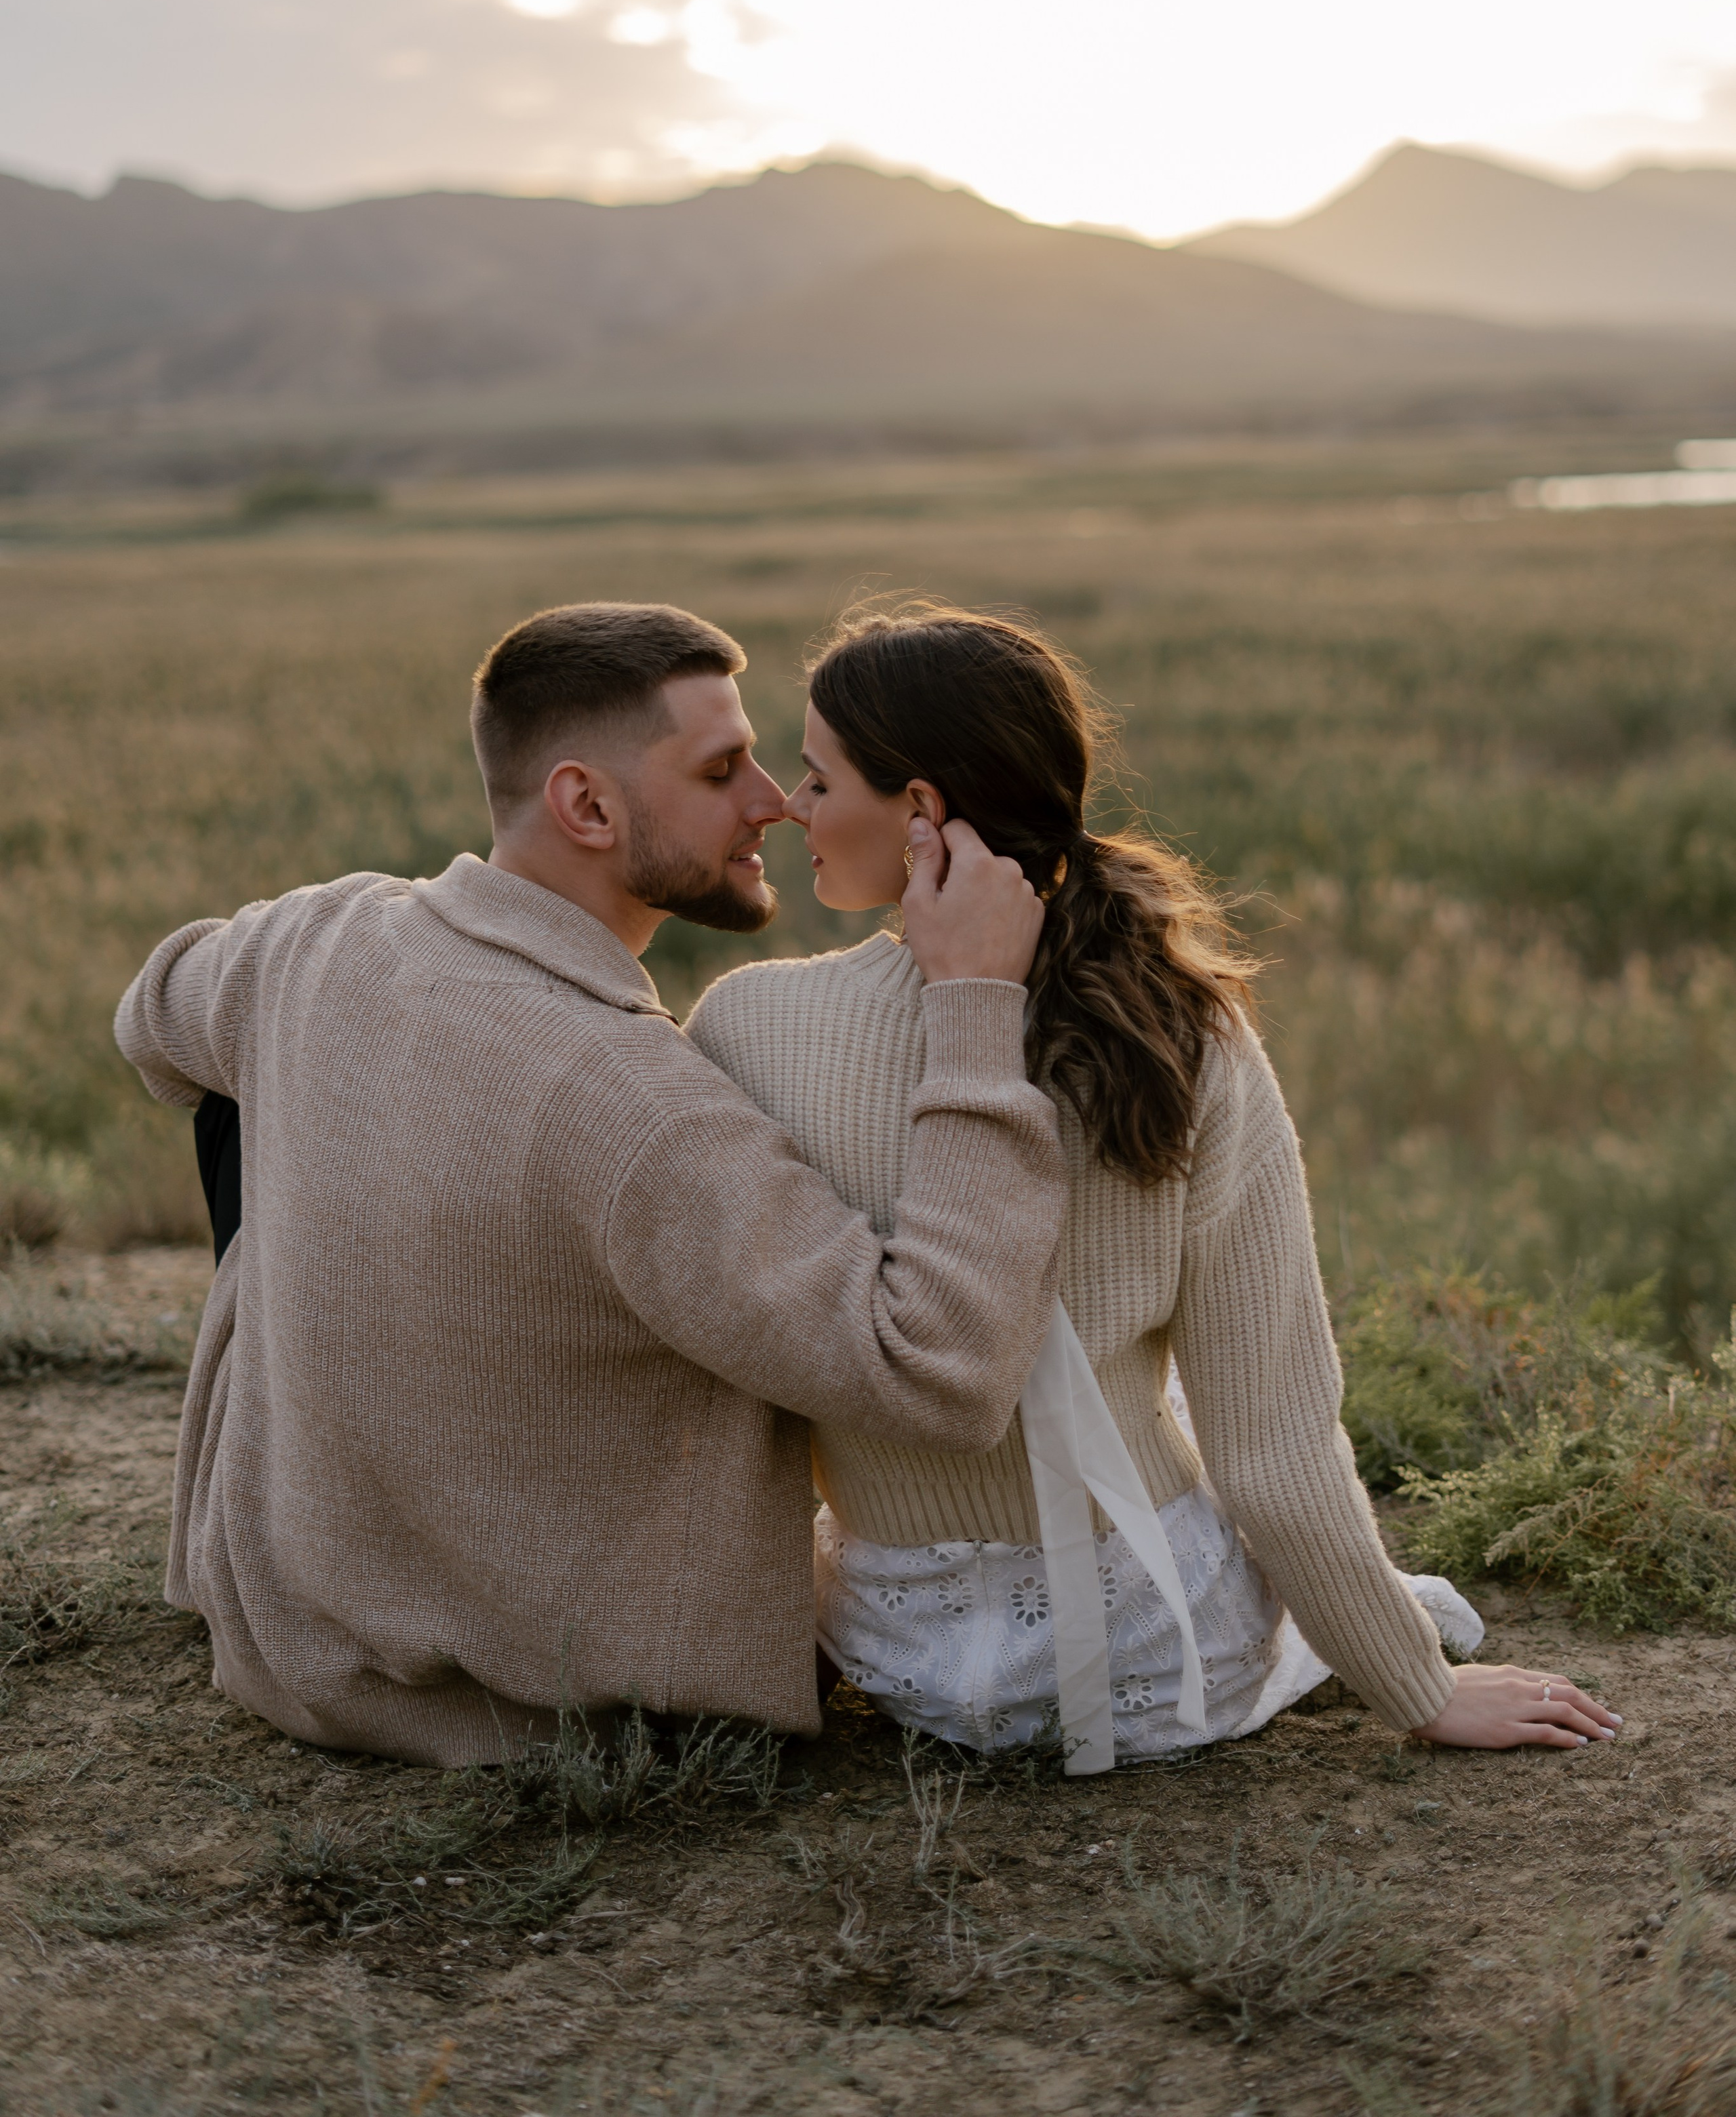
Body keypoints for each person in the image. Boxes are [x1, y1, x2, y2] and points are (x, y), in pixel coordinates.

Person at [114, 601, 1069, 1764]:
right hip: (532, 1707)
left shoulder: (311, 939)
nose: (772, 799)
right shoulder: (638, 1114)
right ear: (587, 805)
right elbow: (940, 1373)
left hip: (276, 1635)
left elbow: (154, 1011)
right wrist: (976, 1007)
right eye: (722, 770)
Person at [686, 605, 1622, 1766]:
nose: (789, 805)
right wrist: (1420, 1691)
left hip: (900, 1654)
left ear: (921, 812)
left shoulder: (747, 1028)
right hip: (1153, 1650)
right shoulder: (1185, 1036)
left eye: (820, 782)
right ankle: (1384, 1619)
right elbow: (1271, 1443)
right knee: (1376, 1581)